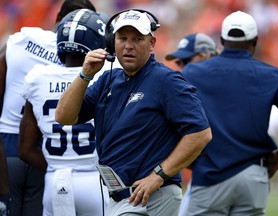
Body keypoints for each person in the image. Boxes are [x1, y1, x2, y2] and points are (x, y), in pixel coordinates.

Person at [55, 9, 212, 216]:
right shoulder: (107, 80)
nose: (128, 46)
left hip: (152, 196)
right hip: (121, 197)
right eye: (122, 38)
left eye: (137, 39)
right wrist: (85, 74)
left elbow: (200, 133)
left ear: (152, 44)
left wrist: (158, 175)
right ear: (113, 43)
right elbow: (64, 116)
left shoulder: (167, 81)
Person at [181, 10, 278, 216]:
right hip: (253, 173)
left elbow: (169, 118)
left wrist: (189, 159)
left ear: (221, 40)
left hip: (210, 172)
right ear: (255, 41)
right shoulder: (273, 75)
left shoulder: (193, 72)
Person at [0, 1, 96, 215]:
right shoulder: (86, 61)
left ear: (58, 19)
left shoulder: (21, 40)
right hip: (47, 154)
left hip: (6, 150)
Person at [18, 9, 111, 216]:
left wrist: (58, 168)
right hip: (95, 180)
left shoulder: (38, 76)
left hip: (55, 179)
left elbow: (25, 148)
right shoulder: (107, 75)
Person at [165, 33, 219, 216]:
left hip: (212, 176)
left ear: (206, 55)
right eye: (179, 63)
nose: (182, 68)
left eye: (187, 60)